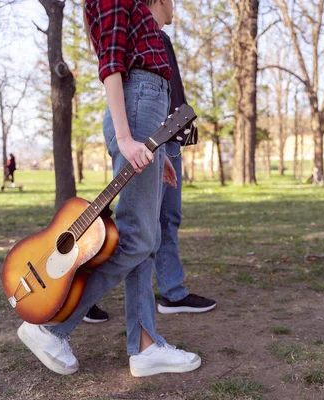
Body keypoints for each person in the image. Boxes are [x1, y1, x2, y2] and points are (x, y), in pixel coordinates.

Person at [17, 0, 201, 378]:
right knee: (135, 240)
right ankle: (50, 327)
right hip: (136, 108)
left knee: (142, 241)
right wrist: (126, 135)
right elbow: (112, 64)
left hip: (144, 114)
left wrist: (157, 146)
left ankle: (146, 346)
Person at [84, 30, 216, 324]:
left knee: (158, 225)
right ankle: (73, 300)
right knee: (136, 233)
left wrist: (166, 145)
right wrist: (126, 138)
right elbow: (112, 68)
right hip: (147, 130)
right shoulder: (144, 33)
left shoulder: (157, 35)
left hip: (161, 135)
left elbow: (170, 91)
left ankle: (164, 305)